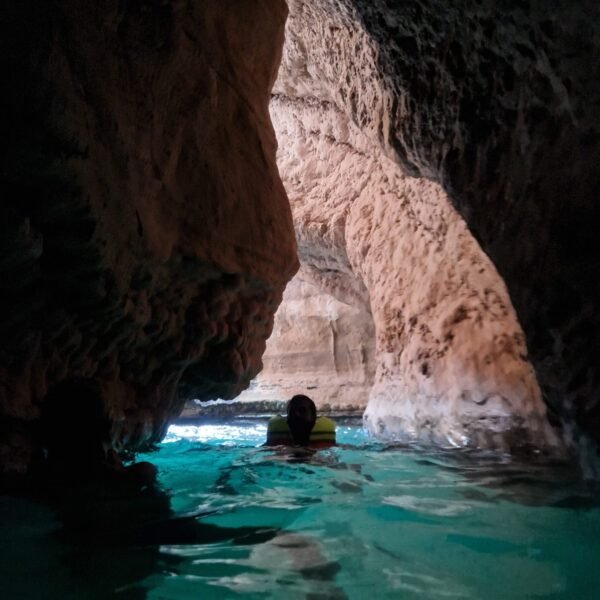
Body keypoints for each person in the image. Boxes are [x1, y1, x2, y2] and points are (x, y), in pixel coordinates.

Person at [265, 394, 336, 448]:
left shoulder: (332, 448)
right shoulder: (271, 448)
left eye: (302, 410)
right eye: (293, 411)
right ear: (288, 416)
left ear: (313, 416)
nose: (297, 414)